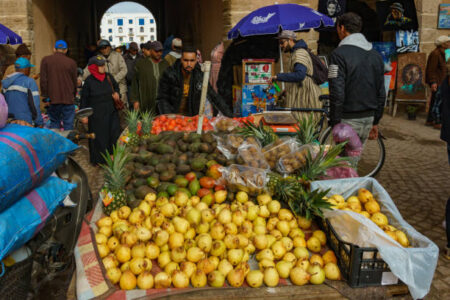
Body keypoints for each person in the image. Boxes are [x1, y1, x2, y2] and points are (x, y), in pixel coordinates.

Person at [328, 12, 385, 168]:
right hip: (368, 118)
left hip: (348, 119)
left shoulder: (338, 54)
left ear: (342, 28)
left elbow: (337, 92)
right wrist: (376, 120)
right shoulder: (376, 56)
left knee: (343, 167)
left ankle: (346, 190)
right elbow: (381, 92)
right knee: (351, 162)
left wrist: (335, 122)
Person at [157, 46, 233, 117]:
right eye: (186, 60)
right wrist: (168, 118)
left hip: (192, 118)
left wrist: (230, 116)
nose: (189, 64)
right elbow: (162, 98)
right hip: (174, 117)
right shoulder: (170, 74)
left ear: (196, 60)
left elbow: (214, 96)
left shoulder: (199, 75)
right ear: (181, 59)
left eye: (192, 60)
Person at [80, 55, 121, 165]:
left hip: (111, 112)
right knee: (99, 137)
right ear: (93, 67)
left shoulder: (108, 77)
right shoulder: (89, 82)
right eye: (100, 65)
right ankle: (100, 160)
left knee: (114, 134)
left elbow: (116, 87)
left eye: (104, 64)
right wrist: (83, 115)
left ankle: (114, 158)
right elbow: (84, 99)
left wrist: (117, 93)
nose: (103, 67)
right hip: (96, 115)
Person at [270, 30, 322, 116]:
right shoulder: (297, 52)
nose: (281, 45)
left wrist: (278, 77)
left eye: (282, 42)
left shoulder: (299, 53)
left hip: (305, 99)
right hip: (302, 97)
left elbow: (300, 75)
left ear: (290, 40)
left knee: (302, 124)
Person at [83, 40, 128, 128]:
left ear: (109, 47)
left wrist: (113, 80)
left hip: (119, 87)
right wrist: (80, 79)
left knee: (122, 111)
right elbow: (88, 70)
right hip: (105, 90)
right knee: (111, 113)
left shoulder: (117, 56)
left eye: (105, 47)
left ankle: (123, 133)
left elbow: (124, 70)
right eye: (101, 48)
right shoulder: (97, 58)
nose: (104, 50)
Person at [40, 40, 78, 130]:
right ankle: (68, 143)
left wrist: (46, 97)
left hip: (53, 99)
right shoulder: (72, 62)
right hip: (68, 99)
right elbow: (74, 82)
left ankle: (56, 143)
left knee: (54, 124)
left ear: (54, 49)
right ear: (66, 50)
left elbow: (43, 81)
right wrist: (73, 95)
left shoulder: (46, 60)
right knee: (68, 125)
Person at [1, 57, 43, 127]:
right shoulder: (29, 82)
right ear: (26, 69)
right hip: (26, 123)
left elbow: (2, 106)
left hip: (9, 123)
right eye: (29, 68)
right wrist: (39, 122)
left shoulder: (5, 83)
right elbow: (35, 105)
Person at [130, 41, 169, 113]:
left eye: (160, 51)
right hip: (146, 102)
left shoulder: (166, 64)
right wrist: (135, 100)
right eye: (156, 51)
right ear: (150, 51)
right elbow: (135, 84)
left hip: (163, 103)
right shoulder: (141, 64)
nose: (159, 53)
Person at [425, 35, 450, 129]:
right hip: (438, 81)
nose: (449, 44)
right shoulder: (435, 53)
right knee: (437, 102)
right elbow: (431, 69)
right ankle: (436, 121)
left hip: (443, 80)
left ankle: (430, 120)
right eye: (447, 42)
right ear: (442, 44)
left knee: (436, 101)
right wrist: (433, 82)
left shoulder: (445, 52)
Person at [123, 42, 142, 106]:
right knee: (131, 102)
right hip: (129, 84)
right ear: (130, 49)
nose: (135, 51)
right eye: (134, 50)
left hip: (140, 83)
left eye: (136, 50)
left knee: (140, 101)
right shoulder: (124, 58)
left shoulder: (141, 57)